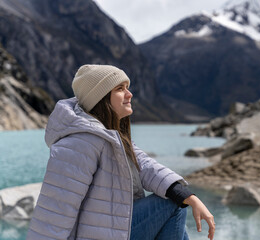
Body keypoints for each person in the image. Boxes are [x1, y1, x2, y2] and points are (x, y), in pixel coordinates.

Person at [27, 64, 215, 240]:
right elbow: (56, 210)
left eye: (127, 87)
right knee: (173, 204)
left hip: (111, 231)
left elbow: (147, 167)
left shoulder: (110, 137)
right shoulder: (80, 143)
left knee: (177, 199)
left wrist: (189, 197)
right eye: (120, 89)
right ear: (100, 98)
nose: (129, 94)